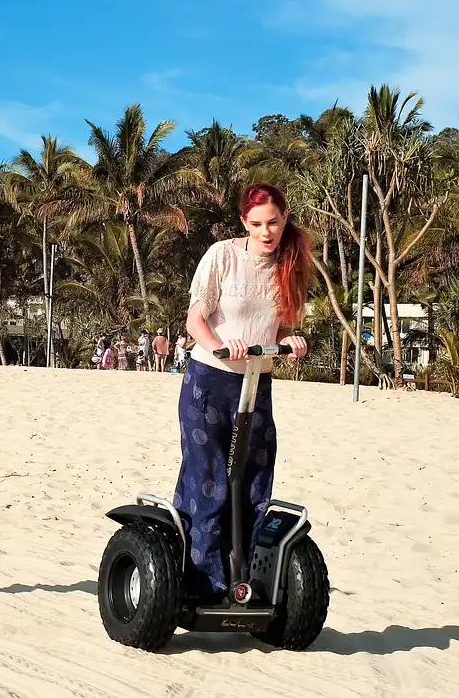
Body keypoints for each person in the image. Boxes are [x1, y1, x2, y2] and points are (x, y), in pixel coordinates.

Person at [173, 182, 311, 603]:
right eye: (257, 224)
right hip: (210, 382)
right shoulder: (222, 256)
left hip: (257, 384)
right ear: (244, 224)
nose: (266, 232)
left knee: (253, 484)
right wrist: (217, 343)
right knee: (210, 483)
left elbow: (281, 325)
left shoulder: (291, 264)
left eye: (273, 223)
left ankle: (244, 580)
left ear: (285, 219)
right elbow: (195, 318)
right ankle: (201, 585)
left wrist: (292, 342)